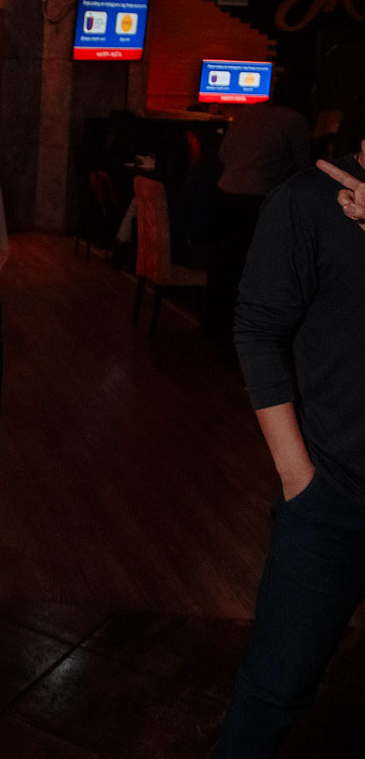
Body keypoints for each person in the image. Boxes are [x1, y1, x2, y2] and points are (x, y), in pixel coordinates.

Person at [216, 136, 365, 758]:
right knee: (274, 691)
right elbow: (257, 330)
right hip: (335, 497)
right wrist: (297, 477)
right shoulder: (309, 201)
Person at [204, 79, 311, 337]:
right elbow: (304, 168)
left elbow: (223, 155)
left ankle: (214, 324)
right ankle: (248, 329)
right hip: (257, 201)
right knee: (251, 266)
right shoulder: (294, 120)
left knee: (223, 262)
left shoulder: (245, 113)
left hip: (225, 194)